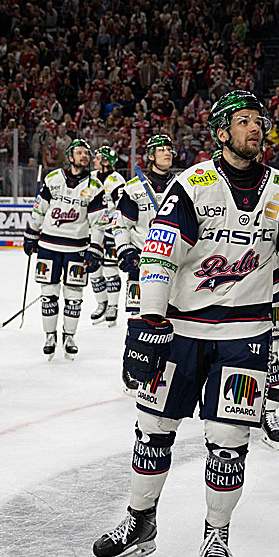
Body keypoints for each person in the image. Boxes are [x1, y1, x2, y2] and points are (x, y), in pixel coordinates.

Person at [92, 90, 279, 557]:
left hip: (246, 336)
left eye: (260, 120)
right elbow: (159, 254)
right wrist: (149, 320)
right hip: (182, 332)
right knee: (153, 431)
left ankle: (217, 530)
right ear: (222, 131)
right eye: (244, 120)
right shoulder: (194, 185)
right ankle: (140, 519)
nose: (255, 127)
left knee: (228, 442)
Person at [22, 139, 106, 360]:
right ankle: (50, 336)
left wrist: (95, 248)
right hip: (48, 247)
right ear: (70, 157)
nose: (84, 157)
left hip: (76, 248)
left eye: (86, 153)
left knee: (74, 297)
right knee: (48, 295)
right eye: (79, 153)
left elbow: (98, 222)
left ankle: (69, 336)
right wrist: (31, 233)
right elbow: (39, 209)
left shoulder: (95, 187)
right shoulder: (53, 179)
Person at [113, 134, 176, 390]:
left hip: (174, 263)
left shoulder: (182, 186)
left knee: (172, 318)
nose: (167, 154)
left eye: (169, 150)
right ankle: (134, 364)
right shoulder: (133, 189)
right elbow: (121, 225)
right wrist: (126, 250)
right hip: (143, 262)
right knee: (140, 318)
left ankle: (165, 366)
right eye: (161, 150)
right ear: (150, 156)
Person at [88, 146, 126, 327]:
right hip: (93, 230)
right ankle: (101, 303)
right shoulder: (92, 178)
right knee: (93, 269)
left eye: (97, 158)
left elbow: (121, 208)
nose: (93, 160)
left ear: (105, 161)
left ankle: (112, 306)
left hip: (110, 230)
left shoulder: (117, 180)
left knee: (110, 269)